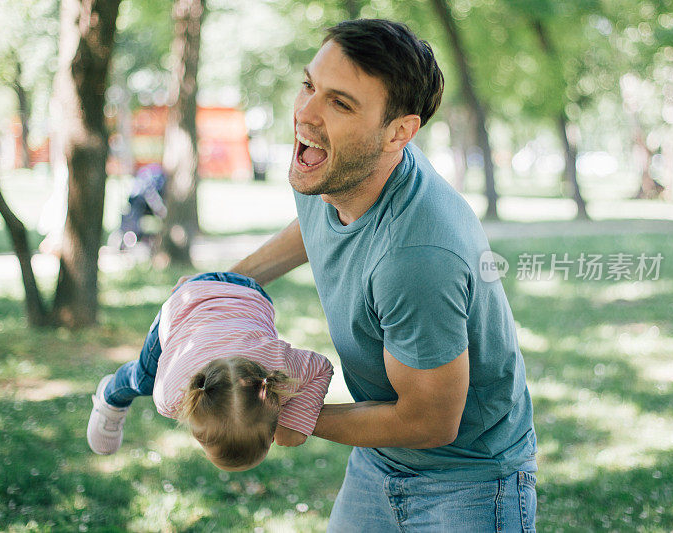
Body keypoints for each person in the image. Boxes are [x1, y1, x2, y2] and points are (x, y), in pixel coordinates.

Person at [223, 19, 538, 531]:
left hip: (470, 483)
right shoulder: (338, 171)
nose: (306, 112)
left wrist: (286, 412)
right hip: (381, 459)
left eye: (340, 103)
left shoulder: (416, 256)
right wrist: (221, 285)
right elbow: (320, 227)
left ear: (399, 132)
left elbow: (430, 421)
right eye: (310, 85)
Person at [86, 272, 333, 471]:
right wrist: (297, 424)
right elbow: (323, 367)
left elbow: (322, 367)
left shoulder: (284, 367)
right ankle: (111, 397)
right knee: (143, 379)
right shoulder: (170, 396)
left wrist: (296, 420)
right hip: (186, 304)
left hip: (248, 291)